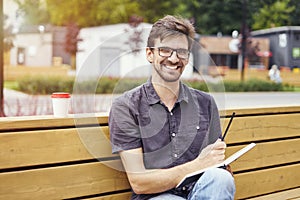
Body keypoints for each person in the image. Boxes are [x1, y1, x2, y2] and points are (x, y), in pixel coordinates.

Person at [109, 15, 235, 200]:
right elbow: (139, 183)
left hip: (201, 192)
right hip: (155, 197)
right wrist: (197, 165)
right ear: (150, 54)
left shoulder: (205, 103)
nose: (174, 58)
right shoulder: (126, 107)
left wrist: (221, 166)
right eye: (165, 50)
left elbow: (215, 163)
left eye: (181, 52)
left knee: (221, 179)